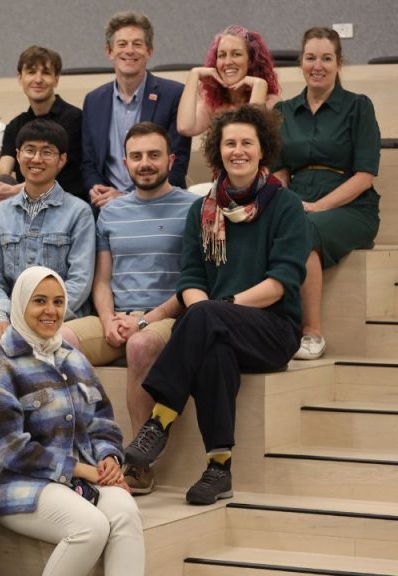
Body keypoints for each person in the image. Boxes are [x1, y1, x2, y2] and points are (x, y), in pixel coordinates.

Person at [124, 106, 307, 505]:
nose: (237, 151)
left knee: (206, 317)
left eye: (246, 143)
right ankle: (219, 467)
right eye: (229, 143)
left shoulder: (286, 205)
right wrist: (212, 313)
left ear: (263, 150)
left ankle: (160, 419)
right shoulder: (201, 210)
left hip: (272, 330)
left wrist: (220, 309)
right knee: (213, 350)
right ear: (218, 151)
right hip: (218, 324)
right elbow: (191, 280)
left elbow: (280, 283)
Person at [0, 266, 142, 576]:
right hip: (20, 482)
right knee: (89, 527)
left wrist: (108, 457)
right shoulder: (3, 366)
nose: (50, 311)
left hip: (82, 476)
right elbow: (8, 447)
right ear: (20, 304)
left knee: (125, 512)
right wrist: (80, 469)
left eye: (57, 301)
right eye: (39, 301)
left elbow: (102, 421)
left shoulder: (75, 359)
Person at [62, 123, 195, 494]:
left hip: (168, 317)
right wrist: (107, 319)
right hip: (119, 317)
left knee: (140, 345)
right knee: (60, 338)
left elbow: (192, 283)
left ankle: (139, 461)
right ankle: (79, 450)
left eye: (154, 155)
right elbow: (102, 281)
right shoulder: (111, 213)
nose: (145, 163)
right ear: (125, 163)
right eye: (137, 156)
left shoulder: (192, 207)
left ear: (170, 159)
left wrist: (144, 320)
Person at [273, 27, 381, 360]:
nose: (317, 65)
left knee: (303, 230)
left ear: (339, 62)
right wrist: (291, 204)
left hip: (351, 206)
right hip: (298, 199)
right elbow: (278, 171)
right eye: (310, 58)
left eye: (326, 58)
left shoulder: (358, 107)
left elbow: (364, 176)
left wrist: (316, 207)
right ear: (300, 62)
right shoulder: (283, 111)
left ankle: (312, 334)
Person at [0, 119, 95, 341]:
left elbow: (80, 281)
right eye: (29, 151)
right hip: (9, 319)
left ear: (62, 160)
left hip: (61, 321)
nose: (36, 159)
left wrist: (36, 319)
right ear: (17, 155)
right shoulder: (0, 213)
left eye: (47, 152)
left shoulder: (79, 212)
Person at [82, 12, 191, 210]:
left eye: (137, 44)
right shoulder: (94, 101)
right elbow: (89, 162)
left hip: (161, 207)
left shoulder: (174, 95)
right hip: (106, 208)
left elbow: (177, 164)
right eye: (122, 44)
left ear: (149, 51)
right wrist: (96, 188)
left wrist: (127, 197)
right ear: (109, 52)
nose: (129, 51)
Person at [0, 46, 84, 206]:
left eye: (46, 73)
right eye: (31, 72)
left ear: (56, 79)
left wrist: (16, 191)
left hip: (65, 205)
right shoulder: (15, 126)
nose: (38, 79)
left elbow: (64, 177)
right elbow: (3, 168)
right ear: (20, 78)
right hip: (27, 206)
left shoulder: (75, 119)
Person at [177, 26, 281, 137]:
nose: (227, 62)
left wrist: (259, 85)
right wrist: (194, 74)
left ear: (251, 60)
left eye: (236, 54)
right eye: (221, 55)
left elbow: (246, 137)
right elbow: (185, 128)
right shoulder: (211, 102)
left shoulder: (271, 102)